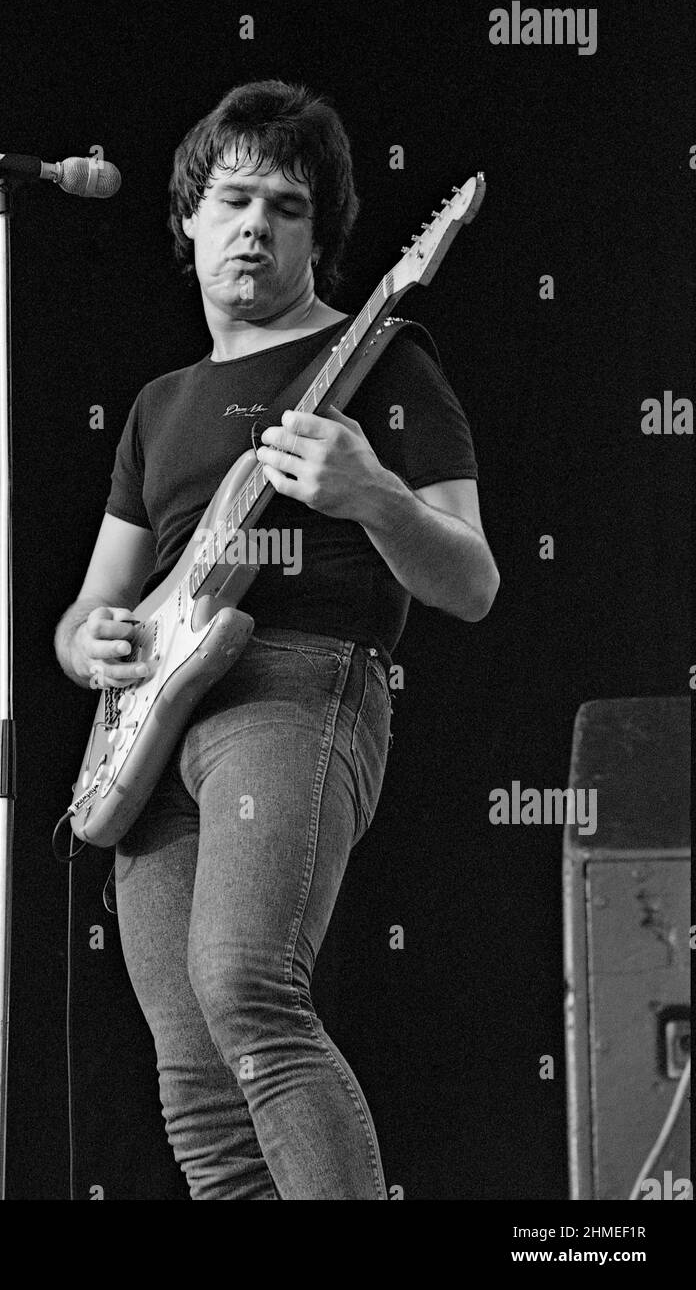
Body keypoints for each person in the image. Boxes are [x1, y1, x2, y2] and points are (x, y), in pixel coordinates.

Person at [55, 80, 500, 1199]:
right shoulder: (158, 405)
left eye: (286, 207)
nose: (255, 223)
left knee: (246, 983)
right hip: (152, 727)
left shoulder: (388, 360)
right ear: (190, 220)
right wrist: (91, 643)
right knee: (196, 1084)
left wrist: (370, 495)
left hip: (298, 684)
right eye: (234, 197)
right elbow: (87, 610)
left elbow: (473, 580)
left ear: (320, 236)